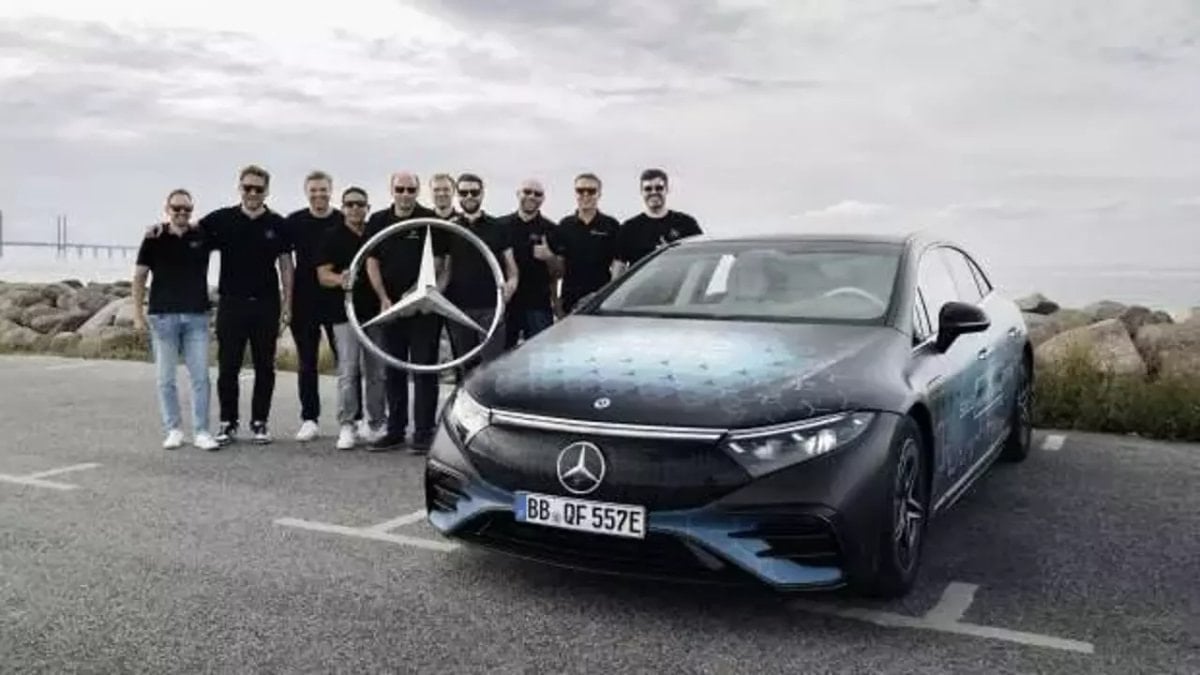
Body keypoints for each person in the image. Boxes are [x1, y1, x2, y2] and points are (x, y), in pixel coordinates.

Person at [203, 165, 294, 445]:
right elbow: (188, 232)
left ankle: (259, 423)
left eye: (258, 188)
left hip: (266, 304)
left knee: (265, 366)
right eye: (247, 188)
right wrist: (159, 229)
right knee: (228, 366)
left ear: (267, 191)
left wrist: (288, 303)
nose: (252, 193)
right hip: (231, 303)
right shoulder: (221, 220)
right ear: (240, 188)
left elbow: (286, 266)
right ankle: (228, 422)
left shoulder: (278, 224)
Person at [363, 171, 445, 453]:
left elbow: (440, 262)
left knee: (424, 371)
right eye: (400, 189)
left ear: (418, 191)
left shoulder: (430, 219)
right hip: (391, 309)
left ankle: (423, 432)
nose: (405, 194)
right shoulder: (378, 221)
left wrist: (419, 295)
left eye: (411, 189)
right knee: (394, 370)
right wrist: (384, 298)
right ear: (392, 190)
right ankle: (395, 430)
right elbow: (371, 261)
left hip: (423, 309)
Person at [131, 188, 219, 451]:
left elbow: (232, 234)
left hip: (196, 317)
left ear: (192, 211)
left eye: (186, 209)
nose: (181, 212)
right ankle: (174, 430)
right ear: (167, 209)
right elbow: (139, 277)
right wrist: (137, 314)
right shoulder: (154, 238)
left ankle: (202, 431)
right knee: (165, 379)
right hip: (163, 316)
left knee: (201, 378)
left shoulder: (202, 236)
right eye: (176, 208)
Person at [316, 186, 388, 450]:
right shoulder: (331, 236)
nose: (355, 209)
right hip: (344, 314)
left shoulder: (376, 234)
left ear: (367, 208)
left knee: (377, 372)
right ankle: (348, 424)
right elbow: (323, 275)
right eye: (349, 204)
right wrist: (341, 280)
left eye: (360, 204)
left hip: (376, 314)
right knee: (348, 370)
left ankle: (376, 422)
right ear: (342, 207)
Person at [285, 170, 346, 442]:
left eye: (323, 190)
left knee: (346, 363)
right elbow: (284, 260)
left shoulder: (342, 220)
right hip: (304, 300)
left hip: (337, 300)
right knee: (307, 362)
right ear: (306, 192)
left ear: (331, 191)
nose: (319, 194)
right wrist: (286, 302)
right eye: (313, 190)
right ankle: (309, 419)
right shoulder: (294, 221)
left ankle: (351, 420)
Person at [443, 173, 519, 379]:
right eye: (464, 192)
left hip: (491, 308)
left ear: (482, 194)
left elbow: (511, 269)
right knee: (467, 371)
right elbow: (446, 271)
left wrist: (510, 287)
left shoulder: (498, 227)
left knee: (491, 369)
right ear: (458, 195)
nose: (469, 196)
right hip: (459, 310)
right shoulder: (449, 228)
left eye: (474, 192)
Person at [497, 178, 561, 347]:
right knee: (503, 355)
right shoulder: (500, 226)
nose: (532, 196)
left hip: (538, 305)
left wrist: (549, 257)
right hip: (507, 303)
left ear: (543, 199)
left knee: (540, 355)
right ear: (518, 194)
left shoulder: (551, 229)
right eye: (527, 192)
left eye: (537, 194)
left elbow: (559, 273)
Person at [550, 172, 621, 315]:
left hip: (602, 300)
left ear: (599, 194)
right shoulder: (564, 225)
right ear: (575, 193)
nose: (586, 195)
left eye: (591, 191)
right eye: (580, 190)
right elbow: (557, 269)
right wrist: (555, 301)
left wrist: (612, 297)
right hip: (570, 300)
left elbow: (618, 264)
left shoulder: (611, 225)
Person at [614, 168, 703, 274]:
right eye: (648, 189)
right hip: (642, 285)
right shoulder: (629, 228)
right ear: (641, 192)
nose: (654, 192)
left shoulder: (686, 223)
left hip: (678, 284)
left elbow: (701, 261)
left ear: (667, 189)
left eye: (659, 188)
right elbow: (619, 268)